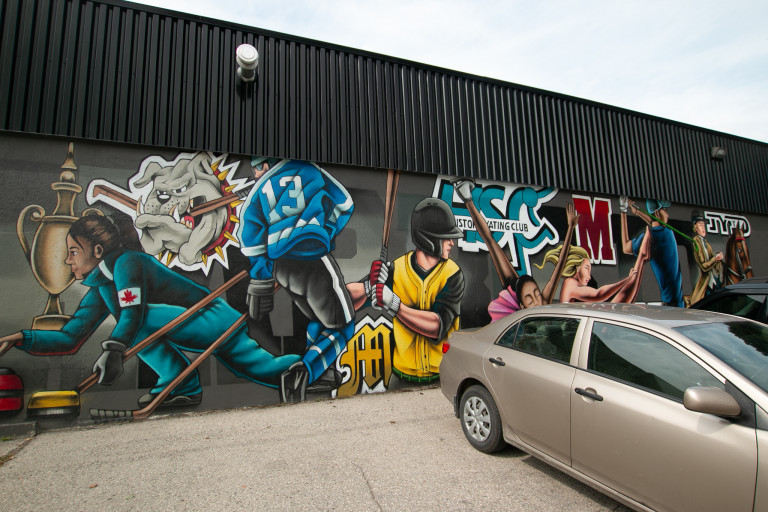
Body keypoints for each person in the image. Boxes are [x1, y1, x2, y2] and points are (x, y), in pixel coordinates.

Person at [0, 214, 302, 408]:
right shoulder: (102, 287)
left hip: (210, 318)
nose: (69, 261)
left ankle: (178, 380)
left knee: (131, 321)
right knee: (265, 368)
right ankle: (184, 385)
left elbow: (133, 314)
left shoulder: (128, 263)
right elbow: (71, 337)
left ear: (97, 251)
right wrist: (23, 339)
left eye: (73, 252)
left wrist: (114, 349)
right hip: (201, 324)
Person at [238, 157, 355, 402]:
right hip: (312, 257)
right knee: (343, 325)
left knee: (318, 319)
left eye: (256, 168)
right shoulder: (310, 168)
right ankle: (305, 372)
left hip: (282, 265)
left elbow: (249, 236)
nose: (256, 174)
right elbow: (345, 203)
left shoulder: (260, 189)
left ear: (265, 164)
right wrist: (327, 231)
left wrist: (262, 275)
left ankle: (319, 374)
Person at [367, 198, 465, 382]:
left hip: (443, 377)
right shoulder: (396, 269)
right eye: (446, 237)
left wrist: (393, 304)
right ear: (429, 239)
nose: (452, 243)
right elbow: (349, 296)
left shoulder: (452, 274)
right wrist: (372, 285)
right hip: (400, 377)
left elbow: (437, 326)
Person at [451, 178, 579, 319]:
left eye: (537, 294)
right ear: (522, 306)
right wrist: (570, 228)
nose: (537, 302)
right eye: (530, 301)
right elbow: (489, 240)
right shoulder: (525, 315)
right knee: (492, 243)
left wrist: (571, 228)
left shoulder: (543, 302)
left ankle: (466, 197)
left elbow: (559, 266)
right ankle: (466, 197)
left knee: (492, 243)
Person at [620, 197, 684, 307]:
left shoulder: (655, 234)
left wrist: (628, 211)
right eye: (664, 210)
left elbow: (655, 223)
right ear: (657, 213)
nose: (667, 215)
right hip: (673, 304)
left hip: (673, 303)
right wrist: (626, 211)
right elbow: (626, 248)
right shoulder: (665, 233)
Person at [542, 245, 647, 303]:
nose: (589, 276)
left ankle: (641, 258)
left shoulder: (574, 285)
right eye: (587, 268)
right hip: (570, 332)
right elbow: (599, 295)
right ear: (578, 268)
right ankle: (641, 258)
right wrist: (626, 280)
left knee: (619, 303)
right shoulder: (569, 283)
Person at [690, 210, 723, 304]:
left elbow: (717, 269)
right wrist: (715, 259)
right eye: (700, 225)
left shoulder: (707, 244)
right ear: (695, 228)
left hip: (714, 282)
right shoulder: (696, 242)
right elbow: (704, 267)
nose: (703, 228)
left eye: (704, 225)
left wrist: (719, 260)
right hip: (705, 284)